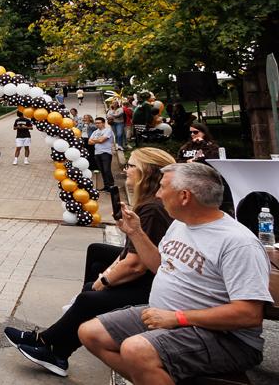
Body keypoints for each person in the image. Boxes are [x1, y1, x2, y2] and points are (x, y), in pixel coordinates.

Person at [80, 162, 273, 384]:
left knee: (135, 350)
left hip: (225, 337)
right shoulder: (182, 224)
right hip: (168, 316)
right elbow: (160, 265)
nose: (158, 194)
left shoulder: (238, 243)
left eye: (162, 188)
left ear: (184, 196)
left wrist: (177, 318)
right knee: (91, 333)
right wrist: (136, 232)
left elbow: (249, 314)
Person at [5, 147, 175, 376]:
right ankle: (65, 328)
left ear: (148, 172)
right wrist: (108, 272)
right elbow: (129, 252)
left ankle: (53, 346)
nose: (126, 170)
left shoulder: (152, 209)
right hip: (152, 272)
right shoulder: (147, 203)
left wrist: (104, 281)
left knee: (89, 295)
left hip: (152, 284)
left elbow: (136, 264)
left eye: (132, 165)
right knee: (96, 255)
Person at [90, 116, 116, 191]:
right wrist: (99, 140)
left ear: (103, 123)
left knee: (106, 170)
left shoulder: (108, 130)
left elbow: (102, 140)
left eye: (99, 123)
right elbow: (89, 142)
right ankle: (106, 186)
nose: (97, 124)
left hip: (106, 153)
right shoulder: (95, 132)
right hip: (97, 153)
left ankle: (111, 186)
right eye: (96, 123)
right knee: (102, 170)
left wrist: (95, 140)